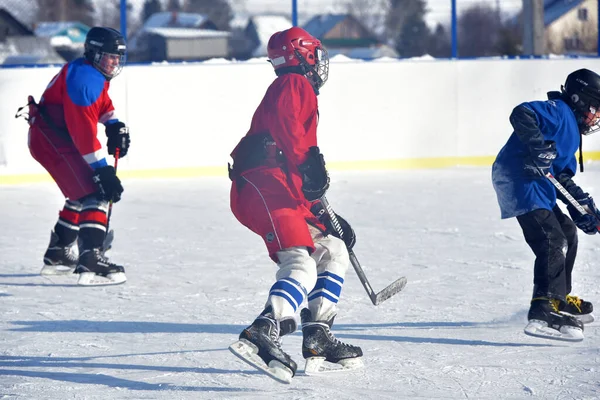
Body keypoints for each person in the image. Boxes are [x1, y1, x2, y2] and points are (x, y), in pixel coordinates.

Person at [227, 27, 363, 383]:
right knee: (300, 262)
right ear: (301, 54)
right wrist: (310, 162)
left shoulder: (294, 88)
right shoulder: (293, 84)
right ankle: (264, 330)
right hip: (264, 185)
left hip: (280, 187)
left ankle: (317, 334)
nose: (319, 63)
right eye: (315, 54)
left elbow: (296, 159)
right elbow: (291, 137)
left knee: (332, 250)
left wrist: (320, 212)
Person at [492, 68, 599, 342]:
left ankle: (559, 299)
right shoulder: (560, 111)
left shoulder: (572, 133)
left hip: (537, 185)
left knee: (568, 233)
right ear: (577, 98)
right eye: (595, 108)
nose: (596, 116)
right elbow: (522, 113)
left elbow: (561, 176)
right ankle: (543, 310)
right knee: (551, 239)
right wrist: (538, 146)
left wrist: (581, 208)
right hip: (519, 179)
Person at [26, 27, 130, 286]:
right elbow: (83, 135)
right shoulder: (84, 79)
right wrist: (103, 170)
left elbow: (102, 103)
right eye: (110, 56)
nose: (115, 62)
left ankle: (59, 253)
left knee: (81, 190)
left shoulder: (91, 72)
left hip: (56, 137)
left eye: (118, 57)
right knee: (95, 191)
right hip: (53, 141)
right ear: (94, 54)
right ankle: (91, 256)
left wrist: (113, 123)